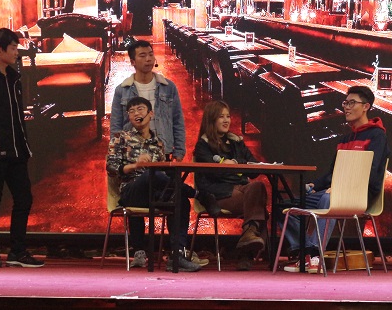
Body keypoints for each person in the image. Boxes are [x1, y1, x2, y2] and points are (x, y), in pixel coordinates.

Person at [281, 85, 389, 273]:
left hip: (361, 195)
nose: (346, 107)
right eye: (345, 103)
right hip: (335, 192)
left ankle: (315, 255)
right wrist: (314, 185)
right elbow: (333, 173)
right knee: (283, 206)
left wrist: (342, 188)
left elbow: (370, 172)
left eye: (352, 103)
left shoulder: (377, 135)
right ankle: (305, 253)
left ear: (366, 107)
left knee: (328, 198)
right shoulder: (345, 138)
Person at [0, 28, 44, 268]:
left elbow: (17, 118)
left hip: (17, 151)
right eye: (12, 48)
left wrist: (24, 147)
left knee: (24, 199)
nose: (16, 52)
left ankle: (17, 251)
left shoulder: (14, 78)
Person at [106, 96, 201, 272]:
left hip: (154, 192)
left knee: (180, 200)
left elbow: (163, 176)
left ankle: (177, 255)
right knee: (151, 174)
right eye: (132, 111)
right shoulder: (120, 138)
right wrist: (135, 166)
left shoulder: (158, 143)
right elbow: (111, 168)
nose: (136, 113)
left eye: (140, 109)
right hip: (131, 191)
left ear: (151, 114)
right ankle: (194, 193)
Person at [192, 101, 269, 271]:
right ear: (211, 119)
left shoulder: (236, 141)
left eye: (228, 116)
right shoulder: (203, 145)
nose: (226, 120)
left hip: (241, 189)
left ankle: (248, 235)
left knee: (257, 187)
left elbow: (254, 168)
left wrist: (233, 163)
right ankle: (246, 252)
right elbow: (216, 174)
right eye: (221, 117)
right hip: (218, 194)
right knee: (259, 207)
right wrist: (238, 169)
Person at [110, 40, 186, 161]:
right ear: (133, 62)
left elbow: (177, 120)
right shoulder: (122, 90)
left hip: (163, 151)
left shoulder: (168, 87)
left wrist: (179, 150)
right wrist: (117, 154)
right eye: (142, 55)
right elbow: (116, 125)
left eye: (151, 54)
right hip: (134, 154)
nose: (148, 59)